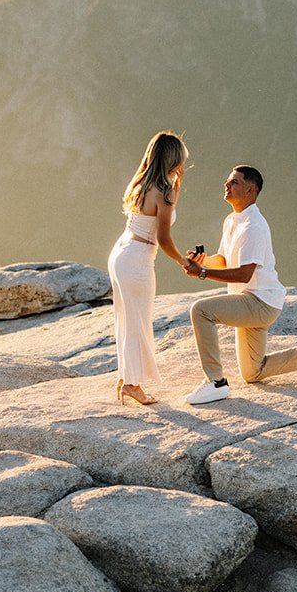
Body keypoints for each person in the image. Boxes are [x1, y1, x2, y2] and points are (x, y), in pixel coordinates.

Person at [182, 164, 297, 404]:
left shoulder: (254, 225)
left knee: (201, 310)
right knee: (253, 372)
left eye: (234, 182)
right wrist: (202, 261)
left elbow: (245, 274)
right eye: (228, 181)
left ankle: (216, 382)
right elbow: (224, 259)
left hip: (259, 301)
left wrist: (202, 273)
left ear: (250, 191)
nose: (227, 185)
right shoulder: (232, 221)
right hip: (251, 301)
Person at [108, 131, 190, 406]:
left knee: (125, 319)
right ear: (174, 159)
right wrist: (182, 260)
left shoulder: (141, 183)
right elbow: (163, 239)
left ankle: (125, 377)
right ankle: (132, 384)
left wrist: (176, 186)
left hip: (122, 251)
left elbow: (154, 215)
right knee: (138, 322)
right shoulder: (164, 193)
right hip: (139, 259)